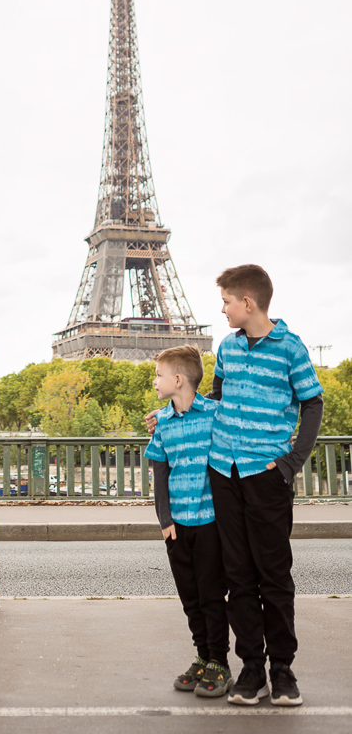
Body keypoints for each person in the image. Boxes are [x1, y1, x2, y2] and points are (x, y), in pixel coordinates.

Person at [208, 264, 323, 707]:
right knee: (237, 575)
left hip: (266, 477)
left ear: (248, 302)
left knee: (274, 576)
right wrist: (174, 412)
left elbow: (312, 403)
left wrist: (291, 463)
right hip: (225, 472)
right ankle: (251, 668)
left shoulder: (291, 348)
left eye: (226, 301)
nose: (222, 309)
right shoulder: (227, 348)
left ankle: (283, 669)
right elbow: (216, 401)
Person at [144, 346, 231, 698]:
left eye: (159, 375)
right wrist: (164, 521)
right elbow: (159, 473)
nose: (154, 382)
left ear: (177, 379)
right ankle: (203, 654)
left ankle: (219, 662)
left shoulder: (214, 414)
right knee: (190, 596)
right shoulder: (162, 422)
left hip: (210, 523)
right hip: (177, 526)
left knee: (212, 595)